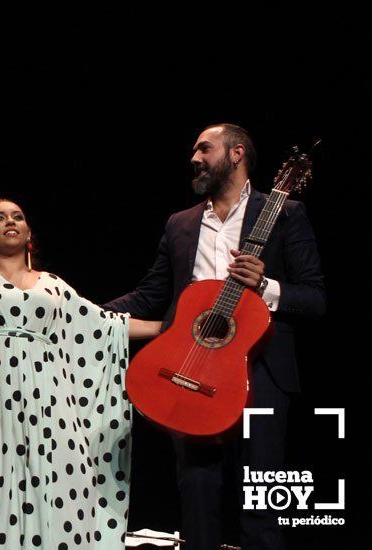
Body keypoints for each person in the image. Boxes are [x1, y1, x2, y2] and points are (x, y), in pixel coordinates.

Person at [104, 123, 326, 550]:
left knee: (260, 508)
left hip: (262, 374)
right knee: (197, 498)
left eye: (204, 148)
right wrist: (80, 311)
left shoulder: (283, 212)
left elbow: (315, 298)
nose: (194, 157)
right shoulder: (181, 224)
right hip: (193, 374)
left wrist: (265, 287)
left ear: (237, 153)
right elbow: (150, 293)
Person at [0, 198, 161, 549]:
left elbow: (103, 326)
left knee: (58, 490)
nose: (10, 221)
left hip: (50, 408)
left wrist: (169, 329)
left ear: (28, 233)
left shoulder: (54, 286)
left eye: (17, 216)